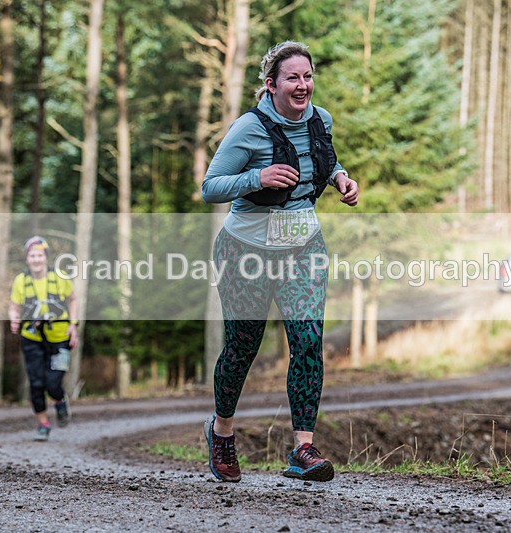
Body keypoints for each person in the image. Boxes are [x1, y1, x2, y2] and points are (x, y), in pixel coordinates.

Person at [200, 41, 359, 482]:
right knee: (242, 348)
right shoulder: (248, 128)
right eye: (293, 77)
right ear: (271, 86)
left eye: (307, 76)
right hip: (244, 253)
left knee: (308, 340)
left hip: (303, 248)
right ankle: (222, 432)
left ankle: (303, 450)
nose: (303, 85)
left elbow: (323, 160)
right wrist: (258, 177)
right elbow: (210, 187)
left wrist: (341, 178)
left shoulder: (320, 120)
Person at [8, 236, 79, 441]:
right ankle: (43, 424)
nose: (36, 259)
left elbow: (73, 299)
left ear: (46, 257)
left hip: (59, 337)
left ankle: (59, 401)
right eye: (32, 255)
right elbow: (14, 306)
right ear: (27, 258)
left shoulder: (59, 278)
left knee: (54, 383)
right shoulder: (21, 281)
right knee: (36, 383)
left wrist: (73, 325)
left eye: (40, 255)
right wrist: (13, 319)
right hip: (31, 338)